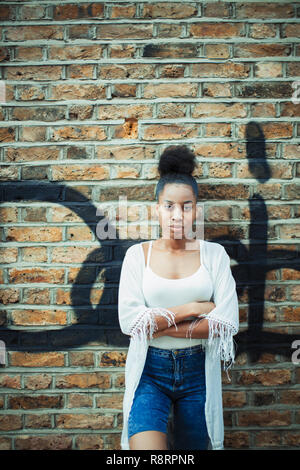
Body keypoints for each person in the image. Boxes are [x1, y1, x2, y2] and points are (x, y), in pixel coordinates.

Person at [118, 145, 239, 450]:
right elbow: (128, 322)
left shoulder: (214, 255)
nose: (177, 214)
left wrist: (156, 324)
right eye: (169, 205)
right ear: (156, 208)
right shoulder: (137, 256)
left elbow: (226, 323)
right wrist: (193, 308)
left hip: (197, 371)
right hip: (150, 371)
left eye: (186, 206)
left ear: (196, 209)